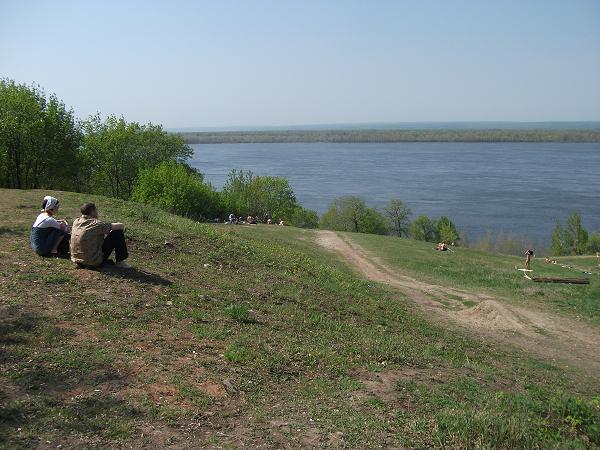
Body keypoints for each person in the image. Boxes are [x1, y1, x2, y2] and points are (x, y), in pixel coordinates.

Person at [70, 202, 130, 268]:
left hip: (77, 260)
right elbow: (121, 226)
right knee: (117, 232)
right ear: (92, 212)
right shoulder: (96, 224)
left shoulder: (76, 221)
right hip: (92, 261)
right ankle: (120, 262)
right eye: (96, 210)